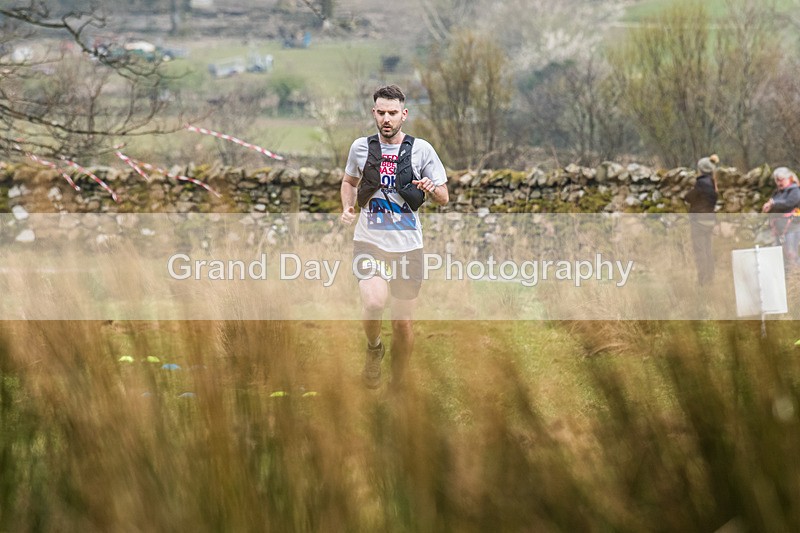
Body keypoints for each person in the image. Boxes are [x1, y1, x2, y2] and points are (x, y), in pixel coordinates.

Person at [340, 85, 449, 390]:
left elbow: (444, 197)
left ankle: (398, 385)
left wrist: (431, 188)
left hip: (408, 247)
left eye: (392, 113)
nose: (386, 119)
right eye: (381, 113)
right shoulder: (360, 148)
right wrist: (347, 207)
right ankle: (374, 348)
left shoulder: (422, 150)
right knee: (374, 302)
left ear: (404, 114)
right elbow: (349, 182)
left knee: (402, 324)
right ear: (373, 113)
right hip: (369, 242)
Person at [685, 154, 719, 285]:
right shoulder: (713, 183)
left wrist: (689, 193)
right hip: (709, 221)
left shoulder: (701, 183)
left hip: (699, 221)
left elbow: (689, 198)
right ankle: (710, 278)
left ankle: (703, 281)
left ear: (701, 169)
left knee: (700, 251)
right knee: (708, 250)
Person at [762, 166, 800, 268]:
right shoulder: (778, 193)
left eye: (781, 180)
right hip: (779, 229)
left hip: (792, 227)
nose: (779, 183)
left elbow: (789, 203)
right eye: (777, 180)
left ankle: (795, 274)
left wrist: (773, 204)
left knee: (791, 253)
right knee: (781, 255)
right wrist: (769, 207)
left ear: (789, 178)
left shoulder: (795, 190)